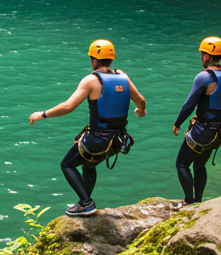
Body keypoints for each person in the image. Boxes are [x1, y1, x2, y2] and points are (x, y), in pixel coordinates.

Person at [29, 39, 146, 216]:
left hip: (98, 140)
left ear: (94, 60)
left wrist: (42, 114)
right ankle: (84, 203)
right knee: (88, 166)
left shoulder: (91, 80)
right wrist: (141, 111)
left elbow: (68, 106)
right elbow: (141, 101)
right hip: (118, 141)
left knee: (67, 164)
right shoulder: (123, 76)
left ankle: (86, 202)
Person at [172, 36, 221, 208]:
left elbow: (189, 104)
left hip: (202, 132)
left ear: (206, 56)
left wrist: (177, 123)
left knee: (181, 163)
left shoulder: (204, 77)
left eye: (202, 54)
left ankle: (188, 201)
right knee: (200, 165)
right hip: (219, 133)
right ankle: (199, 202)